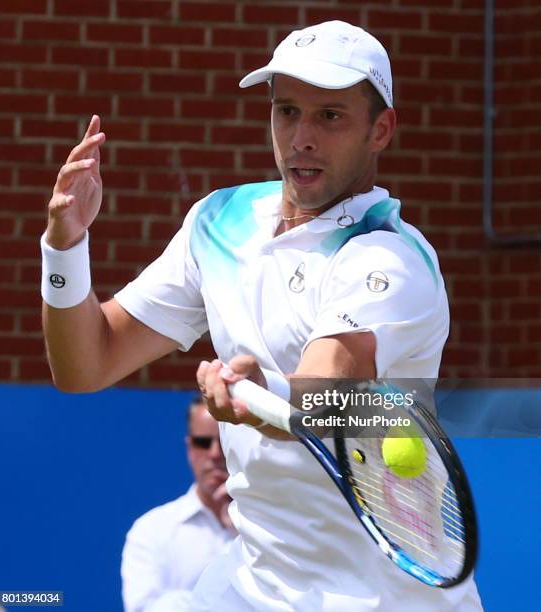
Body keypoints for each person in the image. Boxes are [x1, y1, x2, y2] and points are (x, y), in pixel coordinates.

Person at [41, 20, 483, 611]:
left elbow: (322, 395)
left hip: (377, 598)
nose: (301, 137)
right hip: (254, 582)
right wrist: (65, 246)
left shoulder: (389, 258)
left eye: (330, 116)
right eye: (287, 111)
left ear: (381, 130)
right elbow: (85, 363)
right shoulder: (220, 222)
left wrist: (257, 394)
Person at [121, 397, 235, 612]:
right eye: (203, 442)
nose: (215, 454)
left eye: (224, 442)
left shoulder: (267, 525)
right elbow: (143, 607)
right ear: (190, 448)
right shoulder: (151, 529)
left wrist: (243, 532)